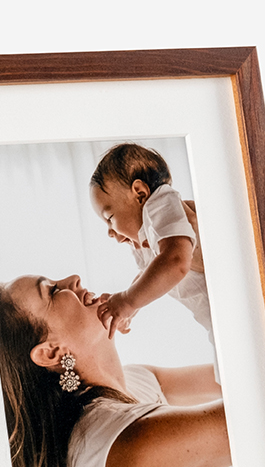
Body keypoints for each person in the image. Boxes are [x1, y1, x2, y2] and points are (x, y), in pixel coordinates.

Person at [0, 273, 231, 467]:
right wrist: (193, 282)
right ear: (51, 352)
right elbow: (251, 416)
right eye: (52, 291)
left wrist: (176, 275)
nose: (74, 279)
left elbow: (234, 376)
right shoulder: (117, 443)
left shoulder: (137, 380)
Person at [89, 145, 215, 377]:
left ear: (140, 194)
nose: (109, 232)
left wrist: (128, 301)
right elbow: (151, 272)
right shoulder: (144, 238)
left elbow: (175, 261)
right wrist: (128, 306)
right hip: (215, 321)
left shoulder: (160, 203)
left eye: (110, 218)